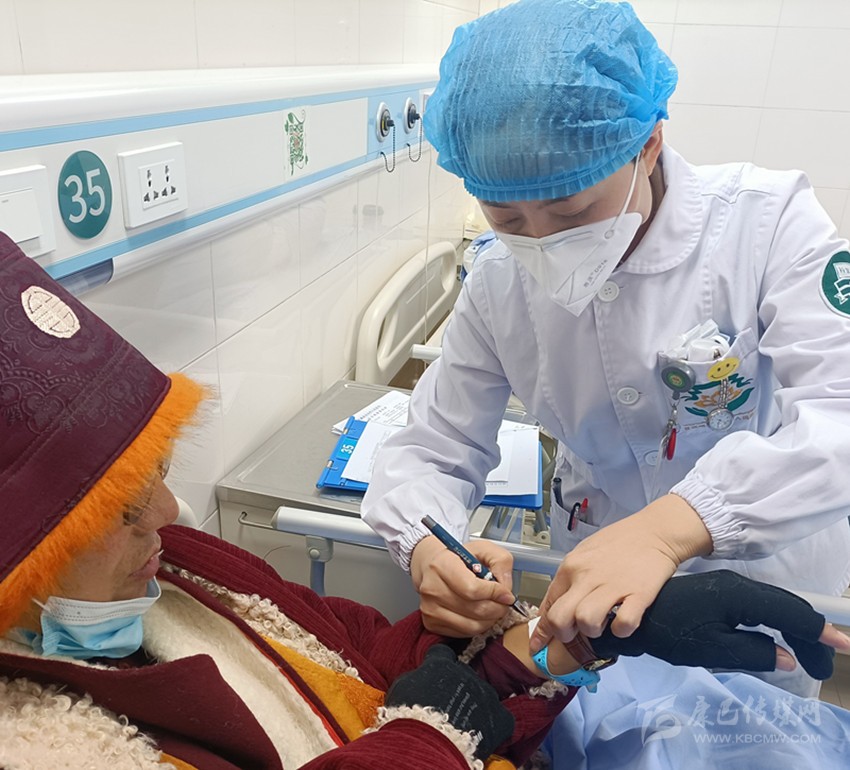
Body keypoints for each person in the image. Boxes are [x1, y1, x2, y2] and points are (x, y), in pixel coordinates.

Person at [1, 233, 848, 770]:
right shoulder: (42, 744)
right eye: (119, 509)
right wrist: (431, 731)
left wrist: (570, 639)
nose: (171, 513)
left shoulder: (180, 571)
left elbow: (369, 655)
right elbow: (435, 447)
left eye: (155, 473)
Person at [361, 0, 850, 698]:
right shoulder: (497, 279)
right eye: (508, 217)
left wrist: (673, 528)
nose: (543, 242)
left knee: (754, 731)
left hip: (759, 574)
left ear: (647, 144)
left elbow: (839, 415)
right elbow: (437, 444)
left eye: (573, 211)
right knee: (601, 729)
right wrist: (424, 542)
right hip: (594, 593)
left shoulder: (767, 227)